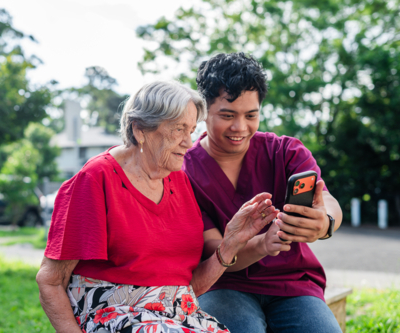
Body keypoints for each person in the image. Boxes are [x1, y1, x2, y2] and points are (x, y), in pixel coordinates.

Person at [36, 80, 279, 333]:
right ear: (140, 129)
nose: (188, 142)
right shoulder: (96, 178)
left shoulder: (180, 180)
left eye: (191, 130)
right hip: (115, 314)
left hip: (177, 315)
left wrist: (230, 244)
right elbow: (51, 281)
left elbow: (189, 288)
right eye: (178, 129)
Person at [182, 53, 343, 332]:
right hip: (223, 284)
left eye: (251, 115)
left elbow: (324, 199)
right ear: (203, 111)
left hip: (293, 283)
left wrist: (325, 223)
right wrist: (263, 245)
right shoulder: (184, 171)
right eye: (227, 115)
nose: (240, 128)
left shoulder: (286, 151)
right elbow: (214, 252)